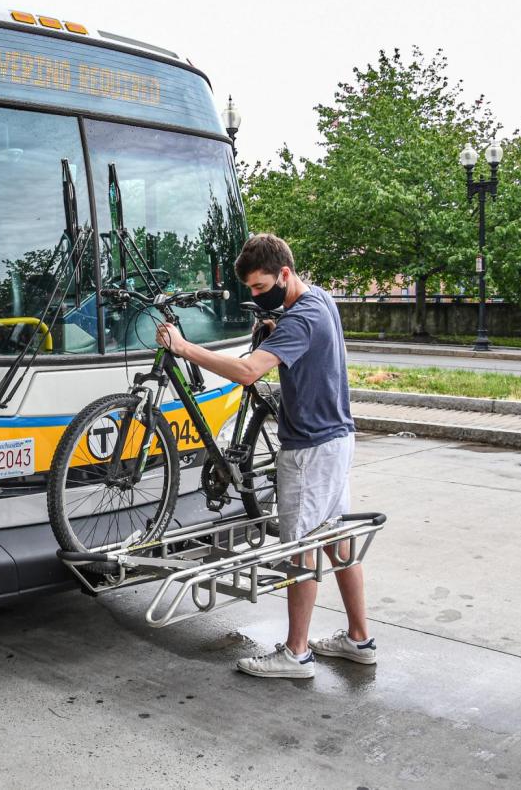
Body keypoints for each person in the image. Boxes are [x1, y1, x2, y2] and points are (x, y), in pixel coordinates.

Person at [155, 233, 375, 679]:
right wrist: (276, 329)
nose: (256, 296)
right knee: (336, 542)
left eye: (259, 287)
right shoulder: (318, 301)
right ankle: (359, 639)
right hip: (334, 440)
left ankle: (296, 654)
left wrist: (184, 347)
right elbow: (302, 341)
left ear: (284, 274)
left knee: (301, 549)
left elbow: (248, 371)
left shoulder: (300, 320)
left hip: (310, 449)